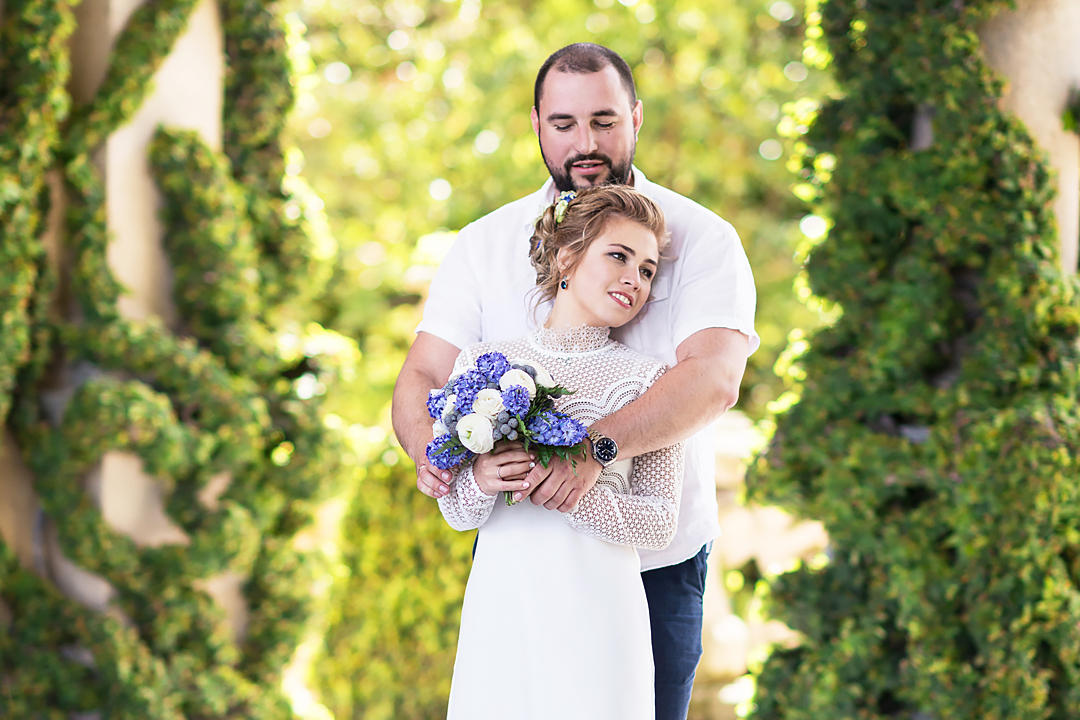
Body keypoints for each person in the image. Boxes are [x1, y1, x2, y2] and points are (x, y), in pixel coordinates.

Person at [392, 43, 758, 720]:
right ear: (536, 123)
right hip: (518, 561)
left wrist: (591, 449)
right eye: (564, 124)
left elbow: (711, 379)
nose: (585, 143)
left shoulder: (701, 238)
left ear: (636, 118)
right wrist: (439, 462)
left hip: (656, 568)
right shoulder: (484, 243)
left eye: (604, 120)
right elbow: (424, 374)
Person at [438, 185, 681, 719]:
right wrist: (481, 476)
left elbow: (661, 523)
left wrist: (574, 495)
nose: (633, 279)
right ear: (567, 257)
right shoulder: (485, 363)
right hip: (504, 604)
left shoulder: (650, 382)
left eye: (647, 270)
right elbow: (455, 509)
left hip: (598, 609)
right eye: (618, 256)